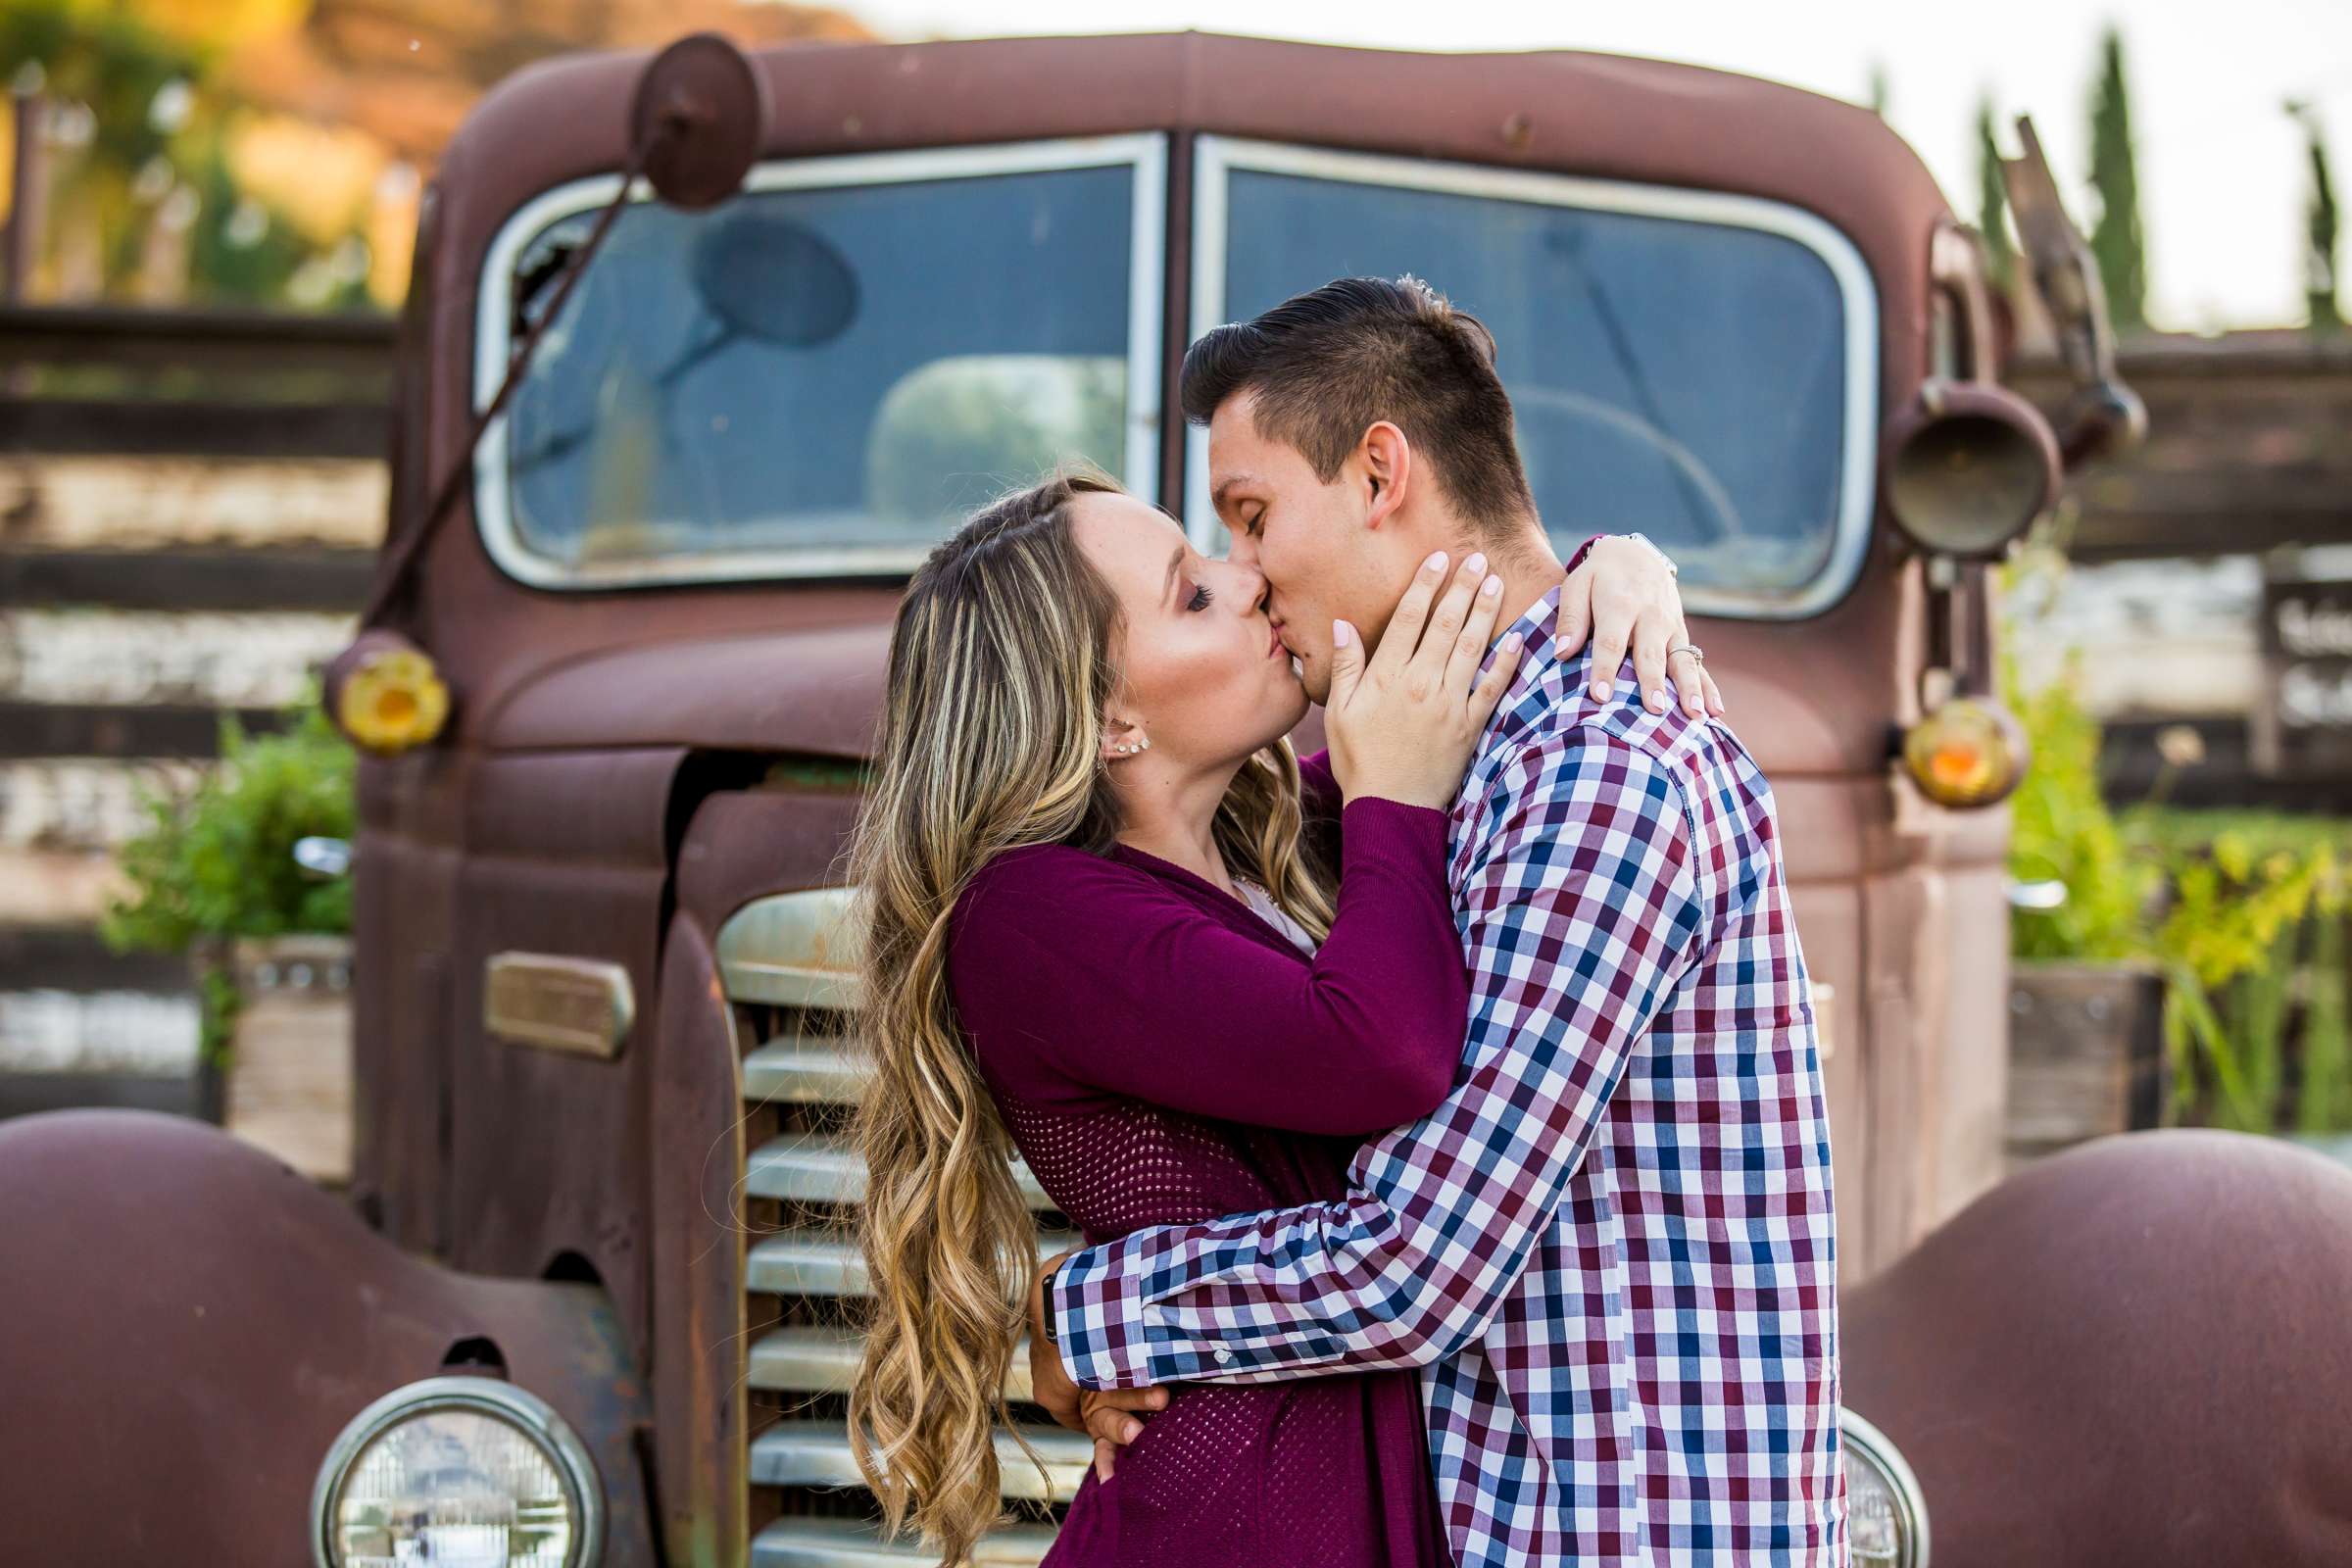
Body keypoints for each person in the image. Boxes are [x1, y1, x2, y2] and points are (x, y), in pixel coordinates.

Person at [1027, 277, 1845, 1568]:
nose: (1244, 577)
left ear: (1378, 473)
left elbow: (1426, 1260)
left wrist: (1088, 1307)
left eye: (1249, 518)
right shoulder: (1433, 765)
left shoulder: (1599, 775)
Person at [843, 461, 1696, 1565]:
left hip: (1343, 1491)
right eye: (1192, 592)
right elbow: (1382, 1049)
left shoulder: (1272, 850)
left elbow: (1464, 710)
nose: (1247, 578)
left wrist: (1626, 570)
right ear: (1107, 717)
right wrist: (1394, 792)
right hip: (1238, 1517)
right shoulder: (1031, 914)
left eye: (1223, 551)